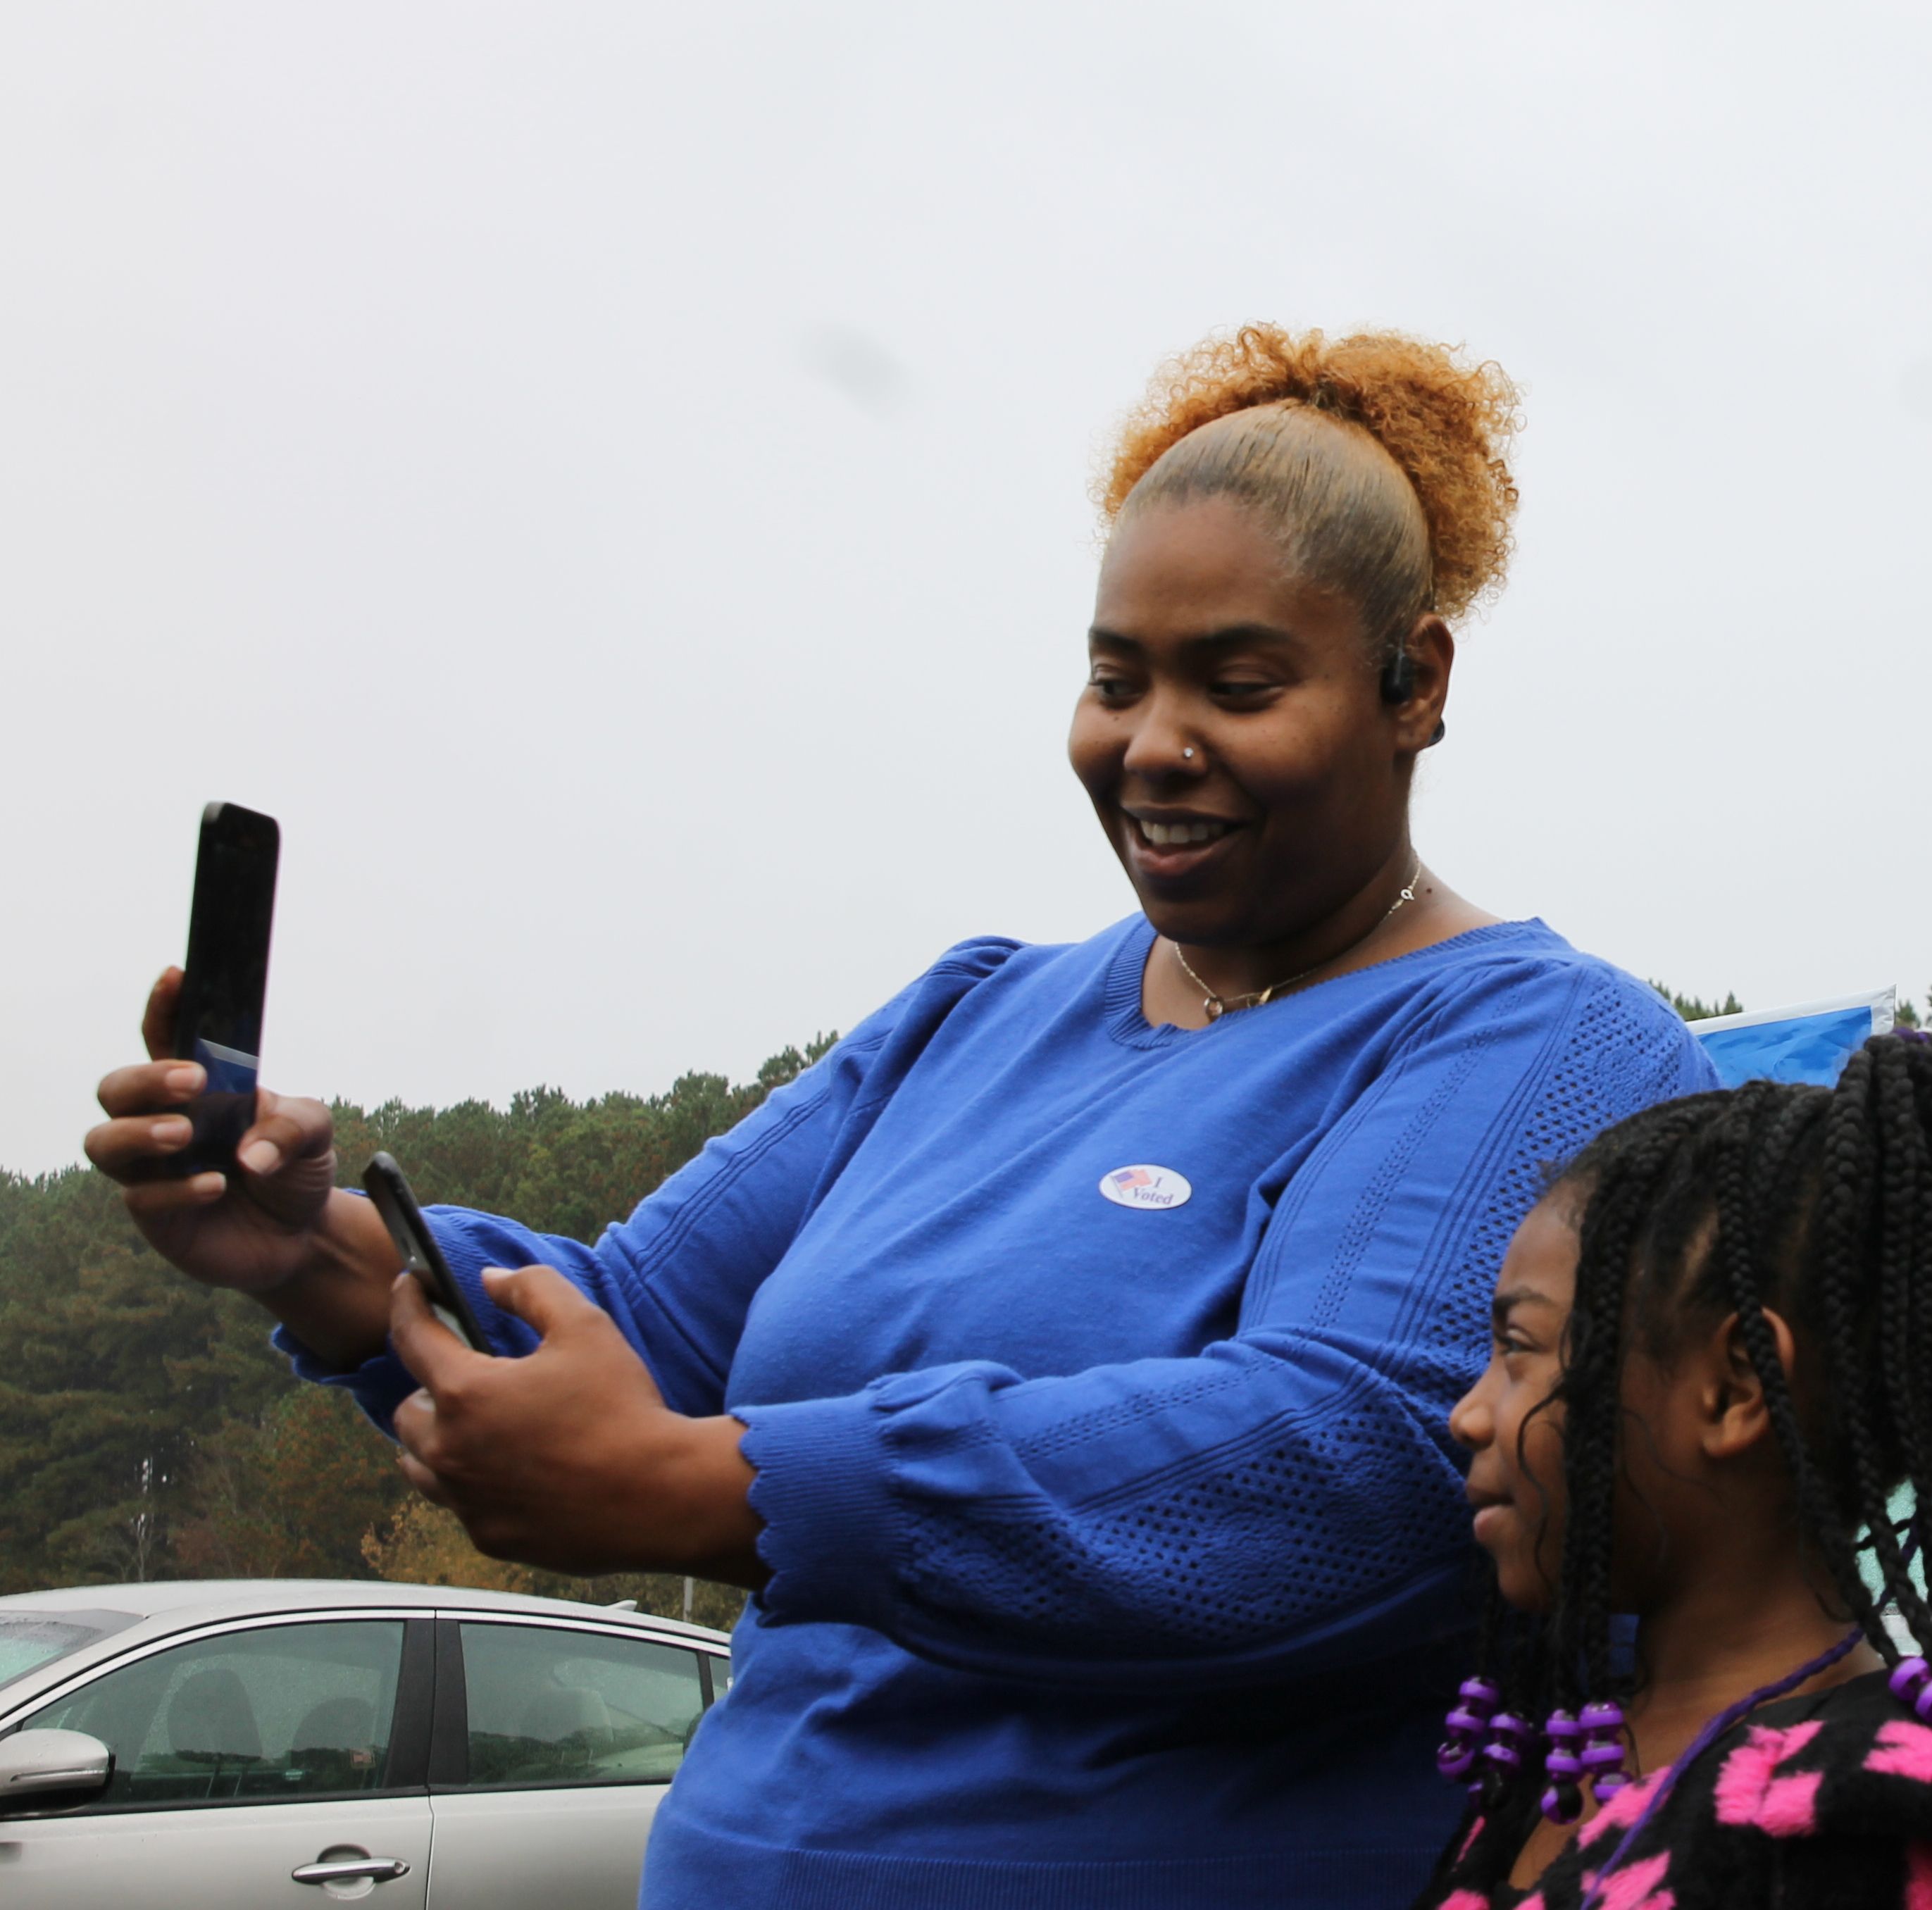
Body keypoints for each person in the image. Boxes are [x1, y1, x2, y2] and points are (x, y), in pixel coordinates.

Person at [85, 325, 1718, 1909]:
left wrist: (714, 1490)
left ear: (1411, 681)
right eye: (1112, 677)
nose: (1154, 744)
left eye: (1238, 680)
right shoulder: (971, 1012)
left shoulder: (1538, 1040)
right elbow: (631, 1330)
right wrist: (311, 1247)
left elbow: (1331, 1474)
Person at [1422, 1033, 1932, 1909]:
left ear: (1734, 1390)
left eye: (1518, 1350)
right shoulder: (1557, 1767)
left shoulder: (1857, 1831)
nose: (1470, 1412)